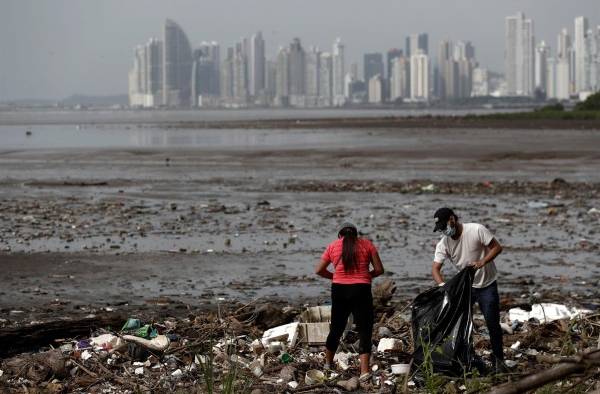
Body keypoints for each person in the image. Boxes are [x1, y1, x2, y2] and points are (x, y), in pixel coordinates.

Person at [430, 207, 508, 373]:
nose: (445, 231)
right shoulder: (444, 243)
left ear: (452, 219)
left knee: (492, 323)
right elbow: (435, 269)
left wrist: (482, 262)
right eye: (441, 229)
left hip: (487, 284)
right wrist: (443, 287)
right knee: (464, 324)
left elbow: (497, 248)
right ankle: (468, 358)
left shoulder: (476, 230)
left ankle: (499, 360)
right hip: (467, 287)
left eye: (445, 226)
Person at [315, 222, 384, 380]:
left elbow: (319, 270)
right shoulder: (367, 244)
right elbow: (380, 269)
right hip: (361, 289)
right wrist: (366, 276)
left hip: (339, 289)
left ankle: (327, 364)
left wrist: (335, 277)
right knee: (364, 329)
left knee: (337, 328)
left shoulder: (333, 245)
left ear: (340, 235)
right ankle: (364, 372)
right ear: (356, 234)